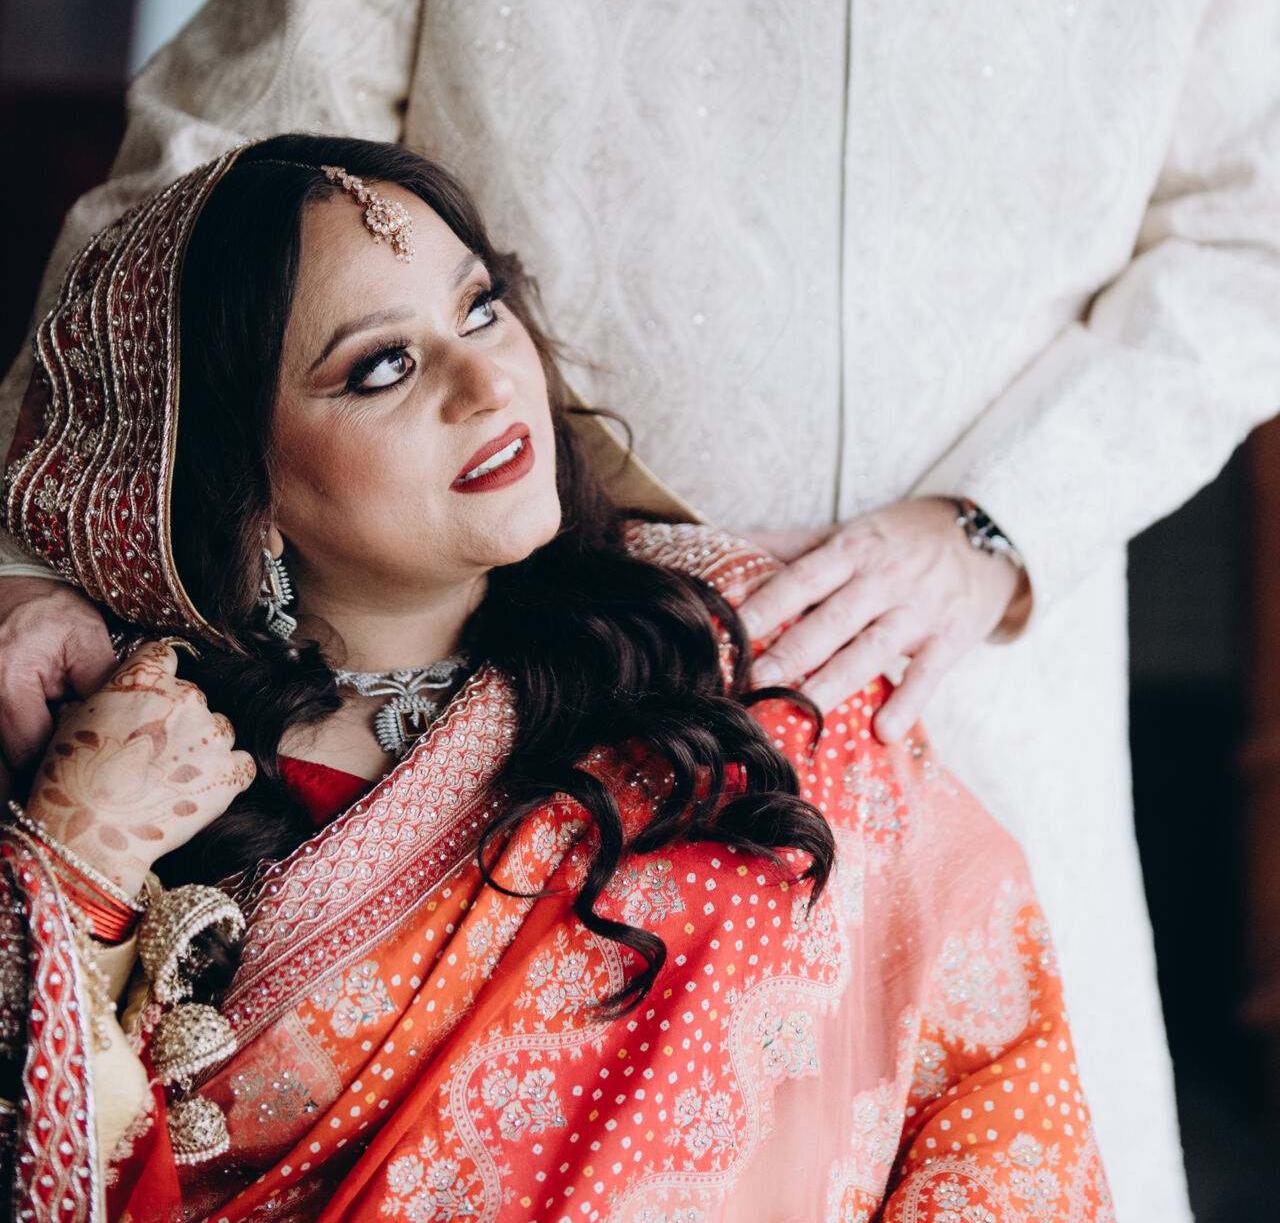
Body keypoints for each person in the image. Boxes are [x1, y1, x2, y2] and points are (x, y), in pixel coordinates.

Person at [0, 0, 1275, 1212]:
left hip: (983, 719)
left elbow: (1250, 236)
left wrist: (997, 525)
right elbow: (182, 216)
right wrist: (37, 557)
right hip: (549, 786)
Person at [0, 136, 1112, 1221]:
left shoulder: (739, 652)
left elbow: (994, 1062)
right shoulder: (132, 772)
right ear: (239, 487)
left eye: (480, 307)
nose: (489, 380)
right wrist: (75, 878)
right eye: (383, 366)